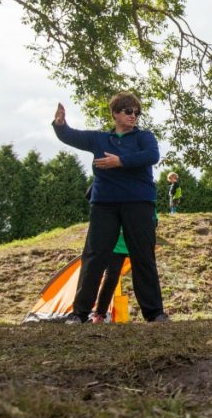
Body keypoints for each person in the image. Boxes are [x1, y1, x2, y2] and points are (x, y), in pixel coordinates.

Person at [53, 93, 168, 323]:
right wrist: (60, 125)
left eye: (137, 113)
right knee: (94, 257)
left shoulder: (144, 137)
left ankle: (154, 313)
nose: (133, 116)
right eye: (128, 112)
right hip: (104, 204)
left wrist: (120, 161)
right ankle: (79, 313)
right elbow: (72, 136)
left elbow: (151, 156)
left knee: (143, 256)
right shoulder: (100, 139)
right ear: (116, 113)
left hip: (138, 202)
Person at [91, 230, 129, 323]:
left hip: (137, 242)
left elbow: (153, 219)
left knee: (143, 277)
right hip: (116, 245)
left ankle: (153, 314)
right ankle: (99, 314)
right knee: (111, 278)